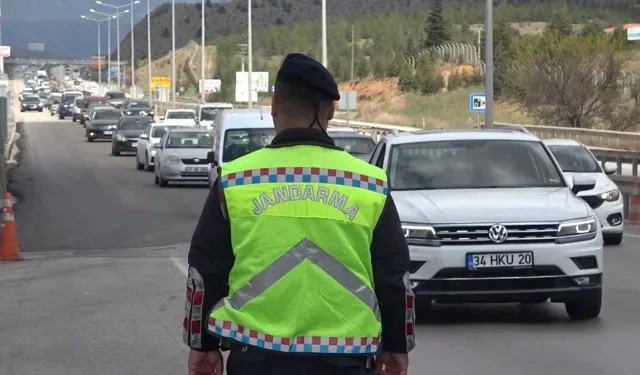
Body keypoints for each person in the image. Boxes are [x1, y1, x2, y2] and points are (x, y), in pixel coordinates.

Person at [183, 53, 415, 375]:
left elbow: (205, 270)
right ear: (331, 110)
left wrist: (202, 345)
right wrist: (396, 346)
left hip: (255, 357)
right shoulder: (369, 183)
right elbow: (394, 276)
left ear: (274, 105)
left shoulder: (235, 180)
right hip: (346, 359)